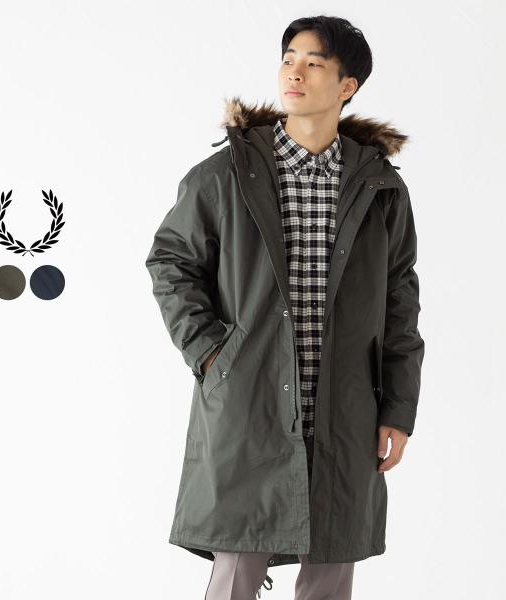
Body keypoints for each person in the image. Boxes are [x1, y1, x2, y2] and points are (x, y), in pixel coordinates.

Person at [145, 14, 424, 600]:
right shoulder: (227, 174)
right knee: (237, 568)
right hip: (249, 397)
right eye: (288, 59)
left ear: (347, 85)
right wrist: (212, 353)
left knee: (331, 570)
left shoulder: (379, 188)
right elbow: (171, 261)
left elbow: (400, 300)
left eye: (313, 63)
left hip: (345, 403)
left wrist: (398, 409)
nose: (294, 73)